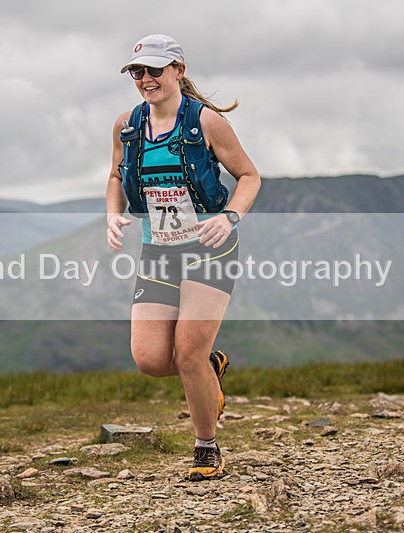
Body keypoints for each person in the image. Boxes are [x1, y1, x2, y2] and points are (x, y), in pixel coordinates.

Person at [106, 34, 260, 481]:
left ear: (179, 70)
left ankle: (206, 446)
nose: (146, 79)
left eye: (155, 69)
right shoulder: (127, 125)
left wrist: (230, 216)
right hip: (158, 250)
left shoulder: (207, 123)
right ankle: (210, 369)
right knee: (151, 359)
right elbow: (115, 176)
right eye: (138, 72)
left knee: (188, 351)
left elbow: (249, 176)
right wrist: (112, 216)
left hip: (209, 246)